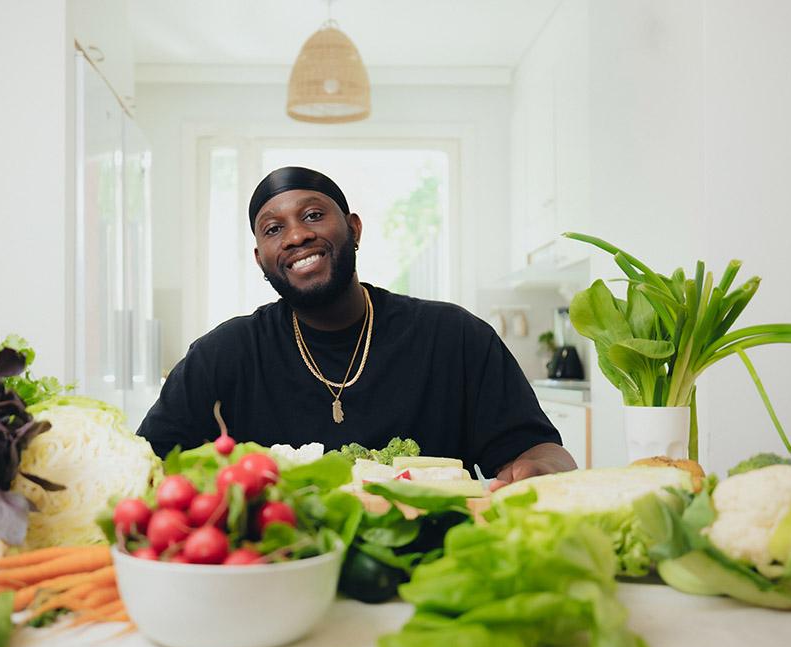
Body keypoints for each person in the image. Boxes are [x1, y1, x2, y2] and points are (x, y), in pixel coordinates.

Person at [137, 166, 576, 489]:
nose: (296, 236)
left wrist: (541, 469)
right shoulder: (222, 354)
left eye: (313, 215)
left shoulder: (455, 337)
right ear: (260, 259)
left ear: (353, 229)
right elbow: (148, 465)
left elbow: (538, 450)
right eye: (273, 229)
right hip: (276, 569)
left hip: (433, 563)